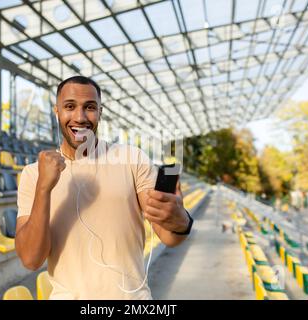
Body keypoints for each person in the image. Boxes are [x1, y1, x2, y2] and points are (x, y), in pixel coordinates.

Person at [15, 76, 193, 300]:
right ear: (57, 111)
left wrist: (181, 220)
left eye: (89, 107)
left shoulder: (131, 158)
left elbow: (170, 238)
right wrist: (44, 188)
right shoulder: (33, 174)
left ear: (100, 112)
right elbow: (31, 259)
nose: (80, 117)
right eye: (70, 106)